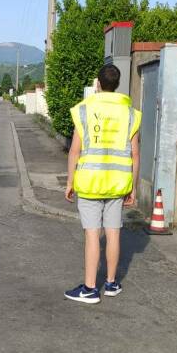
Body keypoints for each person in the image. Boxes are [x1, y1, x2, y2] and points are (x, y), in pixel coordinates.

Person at [64, 64, 141, 304]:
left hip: (89, 182)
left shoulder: (84, 110)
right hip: (117, 183)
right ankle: (110, 283)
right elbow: (134, 155)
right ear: (117, 84)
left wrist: (70, 181)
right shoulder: (130, 113)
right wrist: (133, 187)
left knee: (92, 235)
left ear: (97, 83)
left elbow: (74, 151)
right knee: (113, 233)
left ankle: (89, 289)